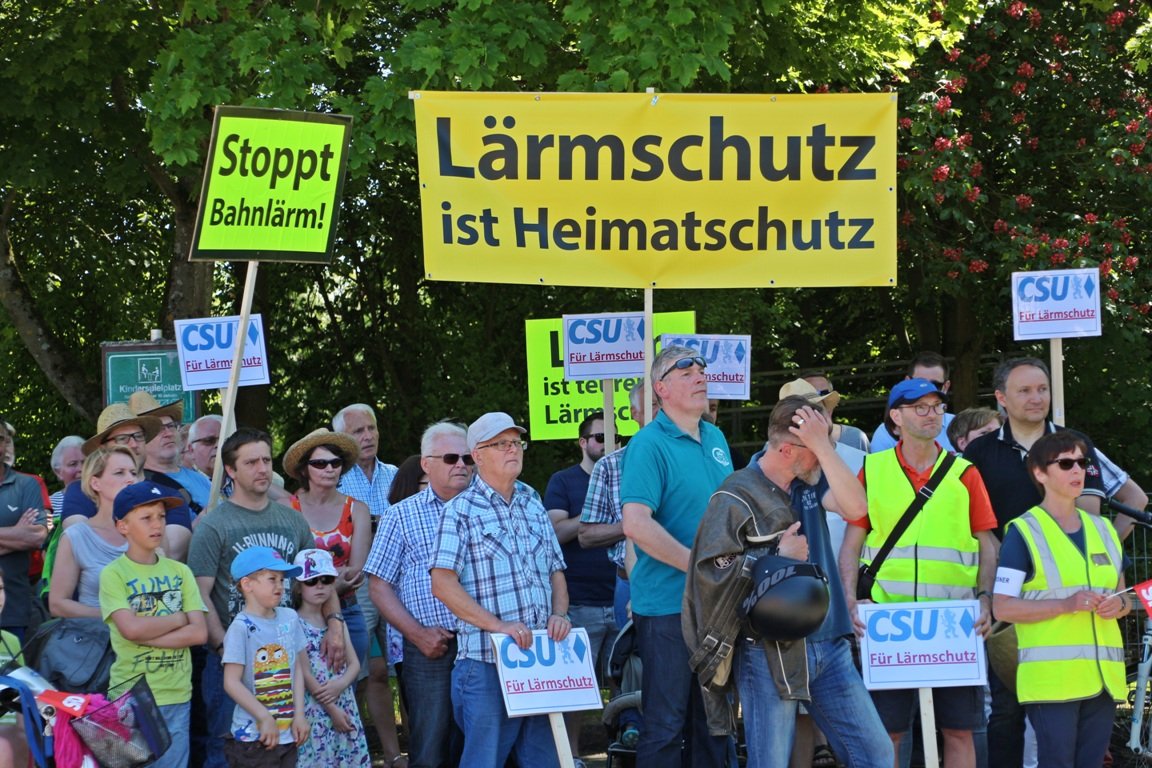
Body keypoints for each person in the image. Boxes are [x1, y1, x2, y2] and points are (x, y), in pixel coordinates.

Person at [686, 396, 890, 768]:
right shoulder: (736, 493)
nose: (825, 454)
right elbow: (710, 574)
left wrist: (823, 448)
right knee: (772, 763)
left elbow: (859, 509)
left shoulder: (812, 478)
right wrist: (776, 555)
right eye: (815, 448)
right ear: (787, 450)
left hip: (830, 643)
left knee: (876, 754)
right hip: (769, 651)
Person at [962, 356, 1148, 765]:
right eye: (1024, 390)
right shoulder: (980, 452)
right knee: (1007, 713)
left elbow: (1111, 511)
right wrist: (987, 587)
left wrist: (1103, 554)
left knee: (1080, 745)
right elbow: (973, 527)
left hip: (1087, 628)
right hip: (1012, 607)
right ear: (1001, 399)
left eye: (1042, 389)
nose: (1036, 398)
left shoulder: (1075, 443)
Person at [840, 379, 998, 768]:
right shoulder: (872, 469)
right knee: (887, 732)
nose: (932, 414)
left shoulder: (965, 473)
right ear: (896, 417)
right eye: (920, 407)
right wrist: (848, 600)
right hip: (888, 621)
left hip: (953, 622)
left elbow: (988, 544)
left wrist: (986, 599)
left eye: (936, 407)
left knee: (960, 730)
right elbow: (851, 545)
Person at [189, 428, 342, 768]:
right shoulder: (213, 526)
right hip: (234, 658)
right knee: (228, 751)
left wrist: (335, 622)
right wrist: (223, 651)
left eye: (265, 460)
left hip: (285, 656)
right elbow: (200, 596)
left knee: (285, 748)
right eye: (251, 462)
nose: (261, 469)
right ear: (230, 470)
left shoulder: (291, 519)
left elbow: (317, 577)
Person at [430, 412, 569, 767]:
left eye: (516, 443)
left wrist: (560, 614)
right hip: (486, 663)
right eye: (501, 444)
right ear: (477, 455)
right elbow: (442, 583)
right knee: (484, 762)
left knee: (546, 761)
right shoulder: (459, 510)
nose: (513, 450)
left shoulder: (532, 499)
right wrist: (499, 626)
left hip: (540, 661)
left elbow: (555, 570)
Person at [620, 345, 733, 767]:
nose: (700, 374)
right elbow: (635, 524)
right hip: (668, 608)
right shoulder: (647, 444)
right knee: (666, 726)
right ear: (661, 389)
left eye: (702, 368)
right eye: (685, 370)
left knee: (714, 725)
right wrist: (696, 567)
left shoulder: (716, 437)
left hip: (718, 605)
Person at [992, 431, 1129, 768]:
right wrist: (1066, 605)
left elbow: (1124, 597)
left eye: (1081, 463)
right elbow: (1002, 607)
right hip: (1052, 684)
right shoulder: (1022, 532)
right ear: (1039, 473)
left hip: (1103, 683)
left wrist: (1119, 606)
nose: (1077, 470)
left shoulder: (1105, 530)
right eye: (1066, 463)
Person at [368, 422, 474, 768]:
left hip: (486, 644)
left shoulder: (490, 508)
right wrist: (418, 635)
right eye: (450, 457)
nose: (461, 464)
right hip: (431, 648)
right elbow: (378, 586)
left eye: (468, 457)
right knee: (430, 746)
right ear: (426, 464)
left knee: (483, 743)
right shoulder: (400, 514)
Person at [99, 480, 208, 768]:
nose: (157, 524)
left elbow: (199, 633)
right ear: (123, 526)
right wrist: (178, 618)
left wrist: (144, 633)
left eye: (161, 516)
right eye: (146, 518)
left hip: (176, 694)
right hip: (130, 696)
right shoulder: (113, 574)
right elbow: (130, 629)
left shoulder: (181, 572)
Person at [544, 410, 615, 768]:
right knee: (574, 690)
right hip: (579, 601)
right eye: (600, 437)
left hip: (623, 598)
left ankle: (624, 753)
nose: (608, 444)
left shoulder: (627, 476)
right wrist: (594, 517)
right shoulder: (563, 480)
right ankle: (569, 758)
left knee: (629, 687)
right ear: (583, 443)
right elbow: (555, 534)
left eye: (615, 438)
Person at [283, 429, 371, 666]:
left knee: (348, 690)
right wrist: (334, 578)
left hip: (348, 610)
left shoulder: (357, 509)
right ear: (304, 469)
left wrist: (312, 581)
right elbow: (285, 568)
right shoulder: (288, 507)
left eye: (335, 462)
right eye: (320, 463)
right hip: (298, 613)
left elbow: (355, 573)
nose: (329, 469)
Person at [221, 547, 309, 766]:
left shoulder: (290, 617)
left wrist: (299, 714)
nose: (280, 586)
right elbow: (231, 682)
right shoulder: (240, 628)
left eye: (282, 579)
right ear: (247, 584)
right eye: (272, 579)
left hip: (288, 735)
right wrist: (263, 716)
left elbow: (296, 667)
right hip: (253, 738)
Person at [294, 548, 371, 767]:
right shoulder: (292, 622)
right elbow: (304, 674)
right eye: (311, 581)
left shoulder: (336, 622)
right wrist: (331, 709)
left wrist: (341, 685)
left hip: (344, 700)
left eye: (326, 580)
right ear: (299, 587)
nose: (320, 586)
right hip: (315, 708)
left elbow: (355, 664)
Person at [50, 447, 140, 618]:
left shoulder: (150, 529)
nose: (130, 479)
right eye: (120, 473)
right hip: (98, 639)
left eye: (133, 473)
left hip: (154, 637)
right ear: (95, 483)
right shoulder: (77, 536)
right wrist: (115, 617)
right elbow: (57, 604)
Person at [62, 402, 162, 522]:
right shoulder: (80, 490)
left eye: (139, 436)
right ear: (103, 448)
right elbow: (77, 535)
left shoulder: (167, 493)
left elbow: (170, 540)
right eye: (122, 439)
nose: (134, 444)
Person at [0, 420, 49, 640]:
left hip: (12, 610)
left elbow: (36, 536)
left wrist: (25, 534)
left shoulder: (26, 485)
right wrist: (15, 533)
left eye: (1, 439)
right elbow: (23, 537)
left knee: (12, 673)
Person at [869, 352, 958, 453]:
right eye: (919, 383)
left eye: (935, 384)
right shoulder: (885, 433)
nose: (928, 389)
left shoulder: (960, 427)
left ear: (946, 387)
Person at [797, 372, 870, 452]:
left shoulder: (855, 437)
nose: (821, 402)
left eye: (824, 394)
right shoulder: (791, 441)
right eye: (810, 396)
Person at [48, 435, 85, 516]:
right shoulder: (50, 506)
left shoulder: (104, 498)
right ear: (58, 472)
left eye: (85, 462)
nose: (81, 469)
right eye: (73, 464)